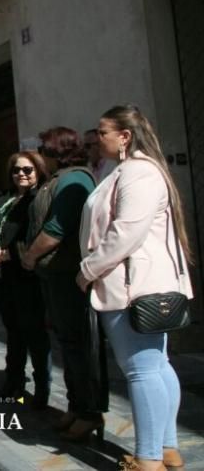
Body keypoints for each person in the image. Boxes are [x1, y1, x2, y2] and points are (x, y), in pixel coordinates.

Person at [77, 106, 194, 471]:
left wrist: (87, 270)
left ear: (124, 136)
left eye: (103, 132)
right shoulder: (128, 171)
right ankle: (166, 449)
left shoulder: (139, 173)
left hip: (131, 286)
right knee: (156, 366)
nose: (98, 138)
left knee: (142, 370)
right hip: (136, 283)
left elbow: (124, 233)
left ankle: (148, 458)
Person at [20, 126, 104, 442]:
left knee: (78, 344)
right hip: (54, 276)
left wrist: (30, 256)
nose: (40, 154)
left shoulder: (75, 180)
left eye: (43, 149)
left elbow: (57, 227)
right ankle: (76, 405)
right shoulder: (59, 179)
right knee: (66, 342)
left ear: (57, 151)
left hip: (68, 276)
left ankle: (89, 411)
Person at [0, 151, 52, 406]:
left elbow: (37, 236)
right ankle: (13, 382)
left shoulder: (40, 198)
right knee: (13, 330)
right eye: (16, 170)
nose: (21, 174)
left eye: (28, 170)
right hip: (1, 276)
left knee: (35, 334)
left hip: (27, 275)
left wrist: (7, 254)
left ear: (38, 171)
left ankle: (42, 389)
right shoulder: (2, 197)